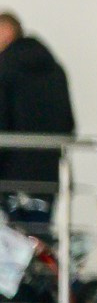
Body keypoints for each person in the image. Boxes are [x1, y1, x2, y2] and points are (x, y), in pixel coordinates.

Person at [0, 12, 75, 193]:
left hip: (10, 176)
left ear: (7, 32)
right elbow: (68, 123)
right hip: (49, 173)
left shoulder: (4, 70)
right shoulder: (55, 68)